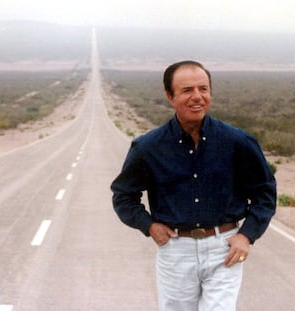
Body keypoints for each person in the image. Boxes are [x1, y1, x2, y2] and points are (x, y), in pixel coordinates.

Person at [111, 60, 277, 310]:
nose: (197, 97)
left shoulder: (238, 142)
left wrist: (246, 236)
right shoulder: (149, 147)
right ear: (170, 96)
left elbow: (265, 192)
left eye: (203, 89)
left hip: (224, 249)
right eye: (187, 90)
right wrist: (149, 225)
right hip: (176, 251)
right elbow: (123, 195)